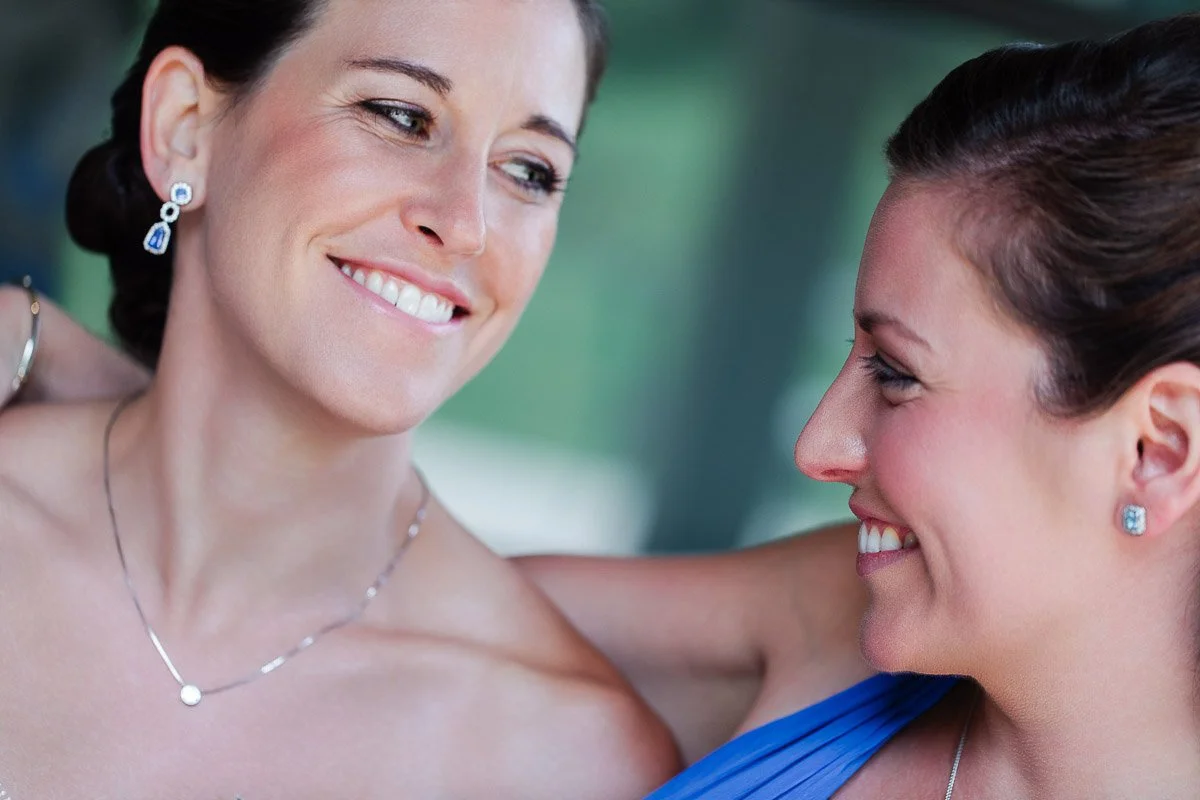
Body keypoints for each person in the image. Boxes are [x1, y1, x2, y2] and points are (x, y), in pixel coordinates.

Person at [9, 10, 1200, 800]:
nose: (818, 442)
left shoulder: (586, 733)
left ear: (1161, 446)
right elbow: (333, 586)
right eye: (398, 113)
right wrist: (85, 382)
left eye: (895, 369)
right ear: (184, 128)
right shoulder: (845, 616)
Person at [0, 1, 680, 798]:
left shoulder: (567, 759)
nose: (466, 225)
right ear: (186, 128)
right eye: (401, 116)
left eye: (529, 170)